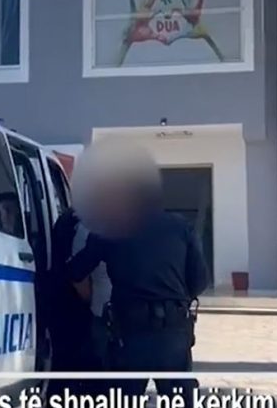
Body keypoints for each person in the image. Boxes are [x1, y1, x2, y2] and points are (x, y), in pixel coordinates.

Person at [65, 139, 209, 405]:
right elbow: (200, 281)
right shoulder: (180, 227)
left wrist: (92, 303)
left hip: (129, 334)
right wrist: (172, 298)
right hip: (172, 332)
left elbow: (75, 271)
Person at [45, 207, 100, 397]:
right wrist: (94, 304)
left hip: (65, 309)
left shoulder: (73, 219)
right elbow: (79, 277)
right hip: (79, 312)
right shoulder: (86, 226)